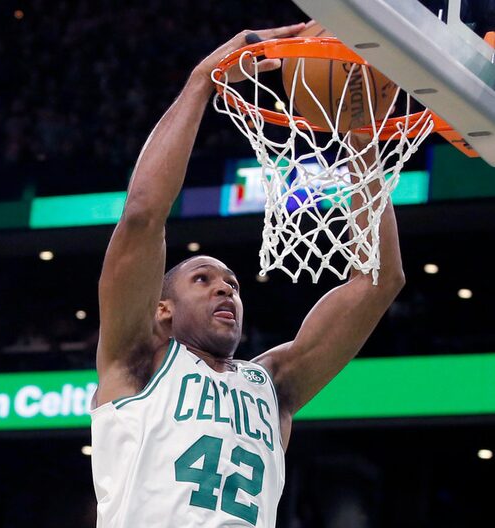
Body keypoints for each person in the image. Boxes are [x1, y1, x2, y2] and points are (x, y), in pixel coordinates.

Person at [91, 23, 406, 528]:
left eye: (233, 285)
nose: (224, 288)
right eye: (202, 279)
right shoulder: (137, 360)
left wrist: (360, 141)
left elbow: (377, 282)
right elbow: (142, 215)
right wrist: (201, 83)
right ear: (161, 308)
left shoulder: (272, 385)